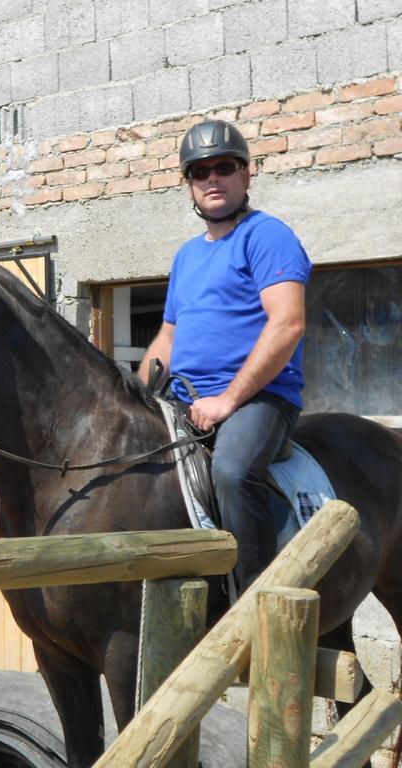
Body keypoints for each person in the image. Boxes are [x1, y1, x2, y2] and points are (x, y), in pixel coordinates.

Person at [138, 119, 312, 593]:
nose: (213, 178)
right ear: (189, 184)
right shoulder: (186, 257)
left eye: (225, 167)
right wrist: (138, 394)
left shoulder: (267, 235)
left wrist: (228, 400)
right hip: (184, 397)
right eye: (200, 171)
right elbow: (166, 340)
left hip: (259, 400)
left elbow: (287, 323)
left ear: (246, 174)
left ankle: (255, 603)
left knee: (232, 472)